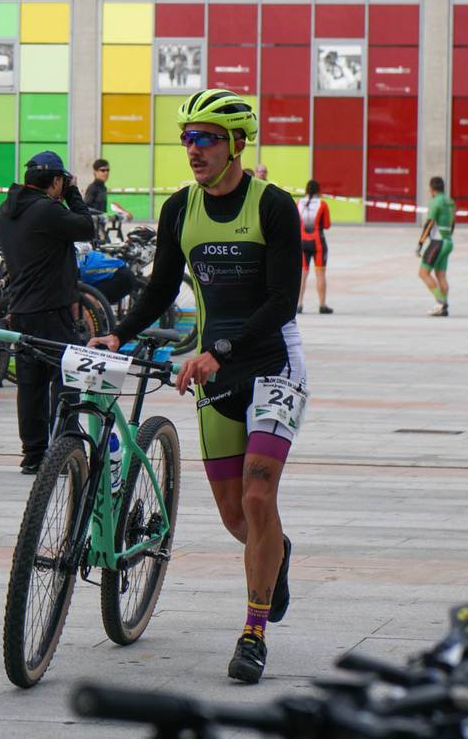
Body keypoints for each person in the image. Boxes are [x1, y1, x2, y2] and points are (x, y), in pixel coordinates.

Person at [88, 89, 303, 685]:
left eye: (205, 137)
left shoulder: (274, 206)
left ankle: (253, 635)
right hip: (216, 370)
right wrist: (117, 335)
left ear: (237, 143)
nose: (193, 149)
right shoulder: (180, 208)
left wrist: (218, 351)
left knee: (260, 498)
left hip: (273, 364)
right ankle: (276, 553)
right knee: (239, 520)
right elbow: (160, 290)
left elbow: (284, 302)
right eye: (186, 138)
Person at [0, 151, 96, 475]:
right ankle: (64, 448)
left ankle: (33, 454)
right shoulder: (46, 210)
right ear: (55, 182)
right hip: (52, 310)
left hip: (21, 307)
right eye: (62, 183)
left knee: (30, 385)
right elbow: (86, 227)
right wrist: (75, 194)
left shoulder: (7, 210)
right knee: (66, 380)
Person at [416, 176, 455, 317]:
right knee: (441, 275)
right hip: (448, 241)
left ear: (431, 189)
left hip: (438, 242)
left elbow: (429, 224)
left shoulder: (434, 202)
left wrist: (420, 244)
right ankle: (444, 308)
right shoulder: (450, 201)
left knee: (423, 273)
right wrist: (448, 237)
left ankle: (440, 303)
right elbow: (453, 222)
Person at [297, 179, 332, 314]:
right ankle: (322, 305)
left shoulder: (299, 203)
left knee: (302, 273)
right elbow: (327, 225)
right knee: (320, 273)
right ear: (319, 190)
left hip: (302, 242)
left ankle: (299, 304)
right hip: (318, 242)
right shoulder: (322, 204)